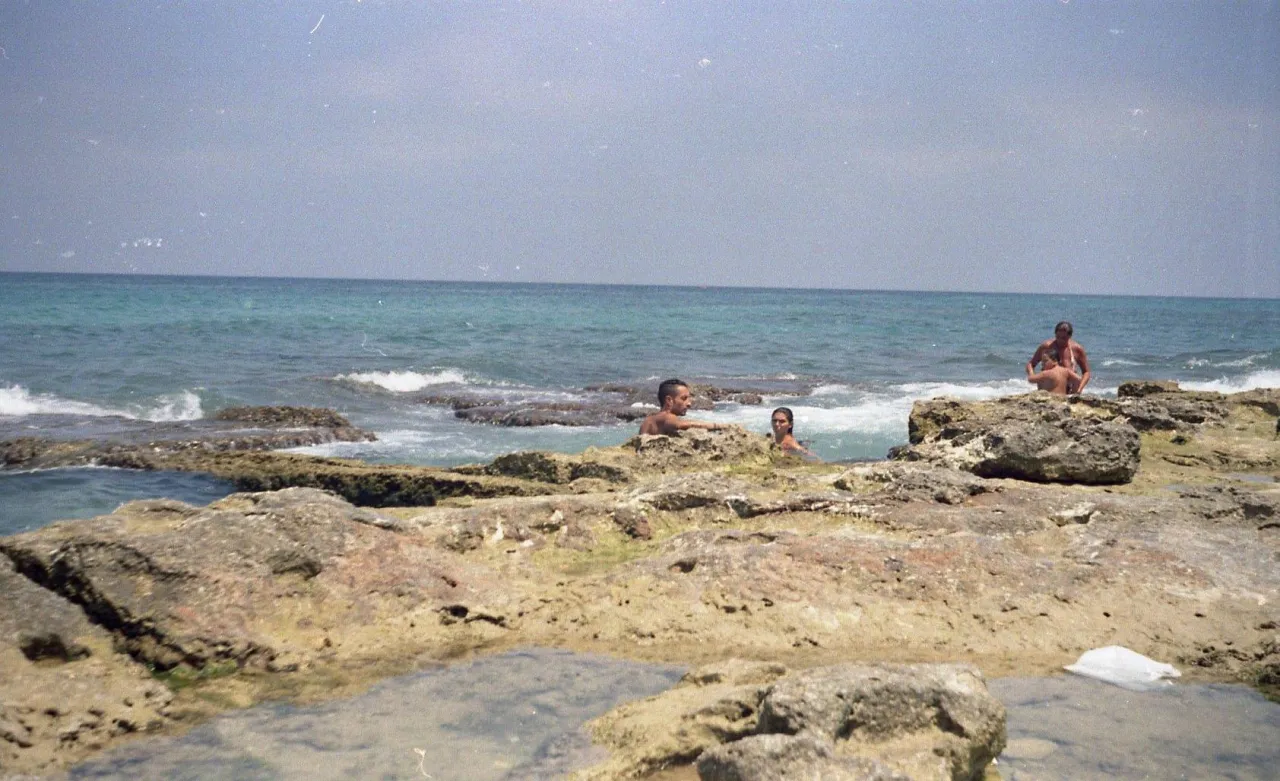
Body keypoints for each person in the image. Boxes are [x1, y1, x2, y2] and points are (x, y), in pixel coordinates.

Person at [639, 378, 729, 435]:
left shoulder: (647, 421)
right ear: (669, 400)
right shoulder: (667, 417)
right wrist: (719, 426)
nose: (689, 404)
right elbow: (685, 424)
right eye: (684, 398)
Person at [1027, 321, 1091, 394]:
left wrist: (1079, 389)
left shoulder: (1077, 349)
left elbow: (1086, 372)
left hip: (1069, 390)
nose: (1060, 340)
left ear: (1070, 336)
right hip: (1047, 390)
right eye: (1057, 337)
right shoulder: (1046, 346)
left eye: (1064, 338)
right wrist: (1032, 374)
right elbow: (1031, 364)